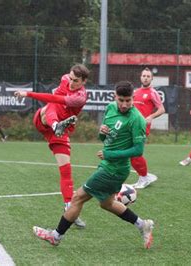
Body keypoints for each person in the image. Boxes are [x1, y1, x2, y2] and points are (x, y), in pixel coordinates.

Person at [32, 81, 155, 249]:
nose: (125, 104)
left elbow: (138, 150)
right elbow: (105, 138)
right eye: (121, 100)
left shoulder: (137, 119)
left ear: (133, 98)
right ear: (115, 97)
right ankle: (142, 225)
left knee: (77, 198)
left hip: (115, 169)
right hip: (107, 165)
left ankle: (56, 236)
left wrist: (109, 154)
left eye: (128, 100)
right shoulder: (111, 108)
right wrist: (102, 133)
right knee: (107, 203)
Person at [14, 64, 90, 228]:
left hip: (60, 133)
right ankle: (56, 125)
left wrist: (27, 93)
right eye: (70, 78)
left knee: (66, 170)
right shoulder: (65, 79)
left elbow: (56, 97)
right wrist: (27, 93)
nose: (71, 82)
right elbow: (53, 100)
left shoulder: (80, 97)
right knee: (52, 105)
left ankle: (69, 208)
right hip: (45, 120)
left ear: (84, 82)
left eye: (75, 81)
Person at [131, 67, 165, 189]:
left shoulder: (152, 92)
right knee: (132, 155)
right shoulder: (135, 92)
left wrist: (151, 116)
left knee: (135, 154)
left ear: (151, 78)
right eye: (144, 76)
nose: (145, 78)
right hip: (131, 127)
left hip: (142, 127)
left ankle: (144, 178)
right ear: (140, 77)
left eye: (148, 76)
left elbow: (161, 109)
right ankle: (143, 177)